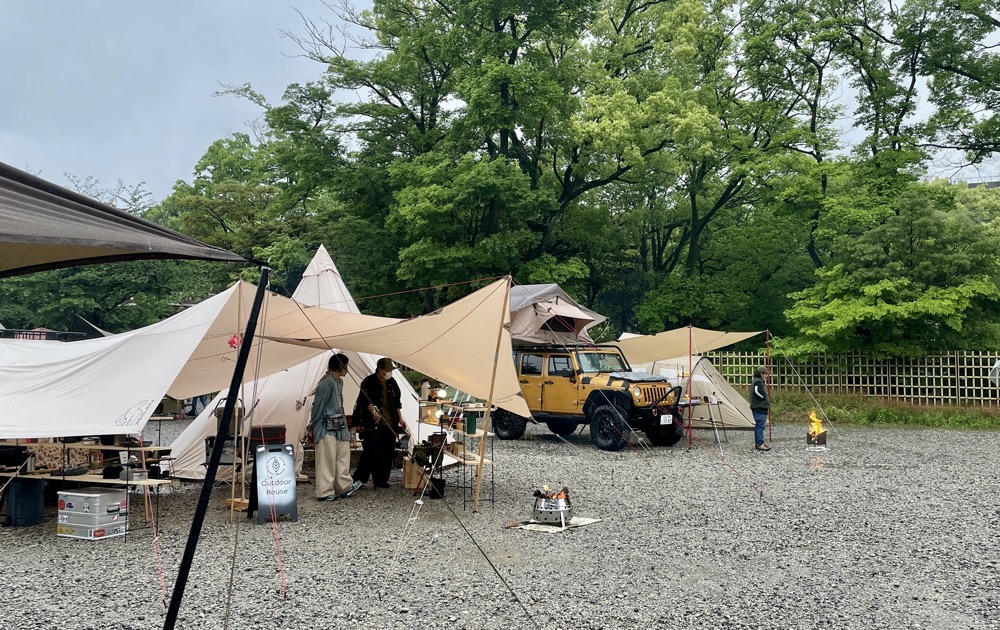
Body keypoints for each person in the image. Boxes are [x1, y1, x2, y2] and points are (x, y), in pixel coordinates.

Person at [308, 353, 362, 501]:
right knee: (327, 459)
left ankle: (343, 486)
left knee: (343, 456)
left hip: (339, 426)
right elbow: (317, 407)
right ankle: (325, 491)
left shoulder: (339, 382)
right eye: (346, 365)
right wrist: (313, 426)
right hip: (325, 426)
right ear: (341, 366)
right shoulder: (326, 383)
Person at [352, 357, 408, 488]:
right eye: (388, 370)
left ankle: (382, 480)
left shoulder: (392, 382)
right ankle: (360, 478)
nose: (390, 373)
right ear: (380, 369)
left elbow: (397, 402)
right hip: (373, 424)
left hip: (391, 422)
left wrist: (400, 418)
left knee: (388, 452)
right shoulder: (368, 381)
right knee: (371, 451)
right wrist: (374, 412)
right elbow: (364, 400)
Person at [749, 366, 771, 451]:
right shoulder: (758, 382)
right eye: (765, 374)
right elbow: (756, 391)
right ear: (761, 374)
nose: (766, 376)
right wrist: (763, 398)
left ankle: (759, 442)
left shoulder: (758, 381)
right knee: (760, 425)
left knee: (760, 425)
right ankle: (759, 444)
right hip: (759, 407)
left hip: (760, 407)